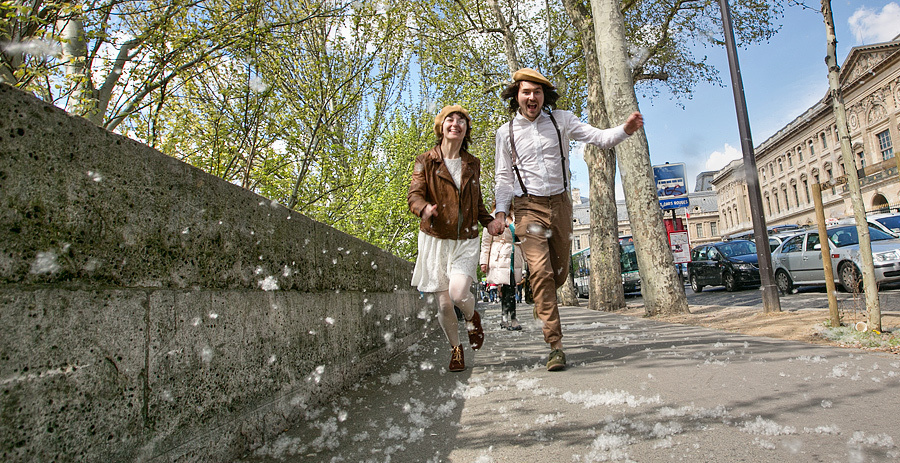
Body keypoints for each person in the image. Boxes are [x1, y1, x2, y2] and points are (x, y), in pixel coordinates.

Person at [493, 68, 644, 371]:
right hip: (527, 208)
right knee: (540, 270)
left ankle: (542, 297)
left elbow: (599, 137)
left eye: (537, 92)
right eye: (526, 92)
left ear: (544, 96)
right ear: (517, 97)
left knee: (559, 273)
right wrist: (500, 211)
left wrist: (624, 130)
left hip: (561, 205)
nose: (531, 97)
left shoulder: (561, 120)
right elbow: (503, 177)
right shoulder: (505, 132)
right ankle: (556, 346)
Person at [408, 104, 504, 372]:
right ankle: (456, 349)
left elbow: (478, 203)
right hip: (435, 238)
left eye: (461, 120)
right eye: (450, 119)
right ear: (441, 127)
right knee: (443, 302)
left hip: (465, 239)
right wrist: (424, 208)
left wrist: (490, 222)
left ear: (465, 130)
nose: (456, 123)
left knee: (459, 293)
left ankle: (473, 317)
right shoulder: (425, 160)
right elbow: (414, 194)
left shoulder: (472, 163)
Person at [480, 211, 524, 330]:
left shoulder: (517, 217)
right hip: (500, 256)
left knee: (509, 288)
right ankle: (512, 319)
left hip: (514, 256)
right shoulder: (492, 217)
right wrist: (484, 261)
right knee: (508, 288)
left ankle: (505, 319)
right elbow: (485, 242)